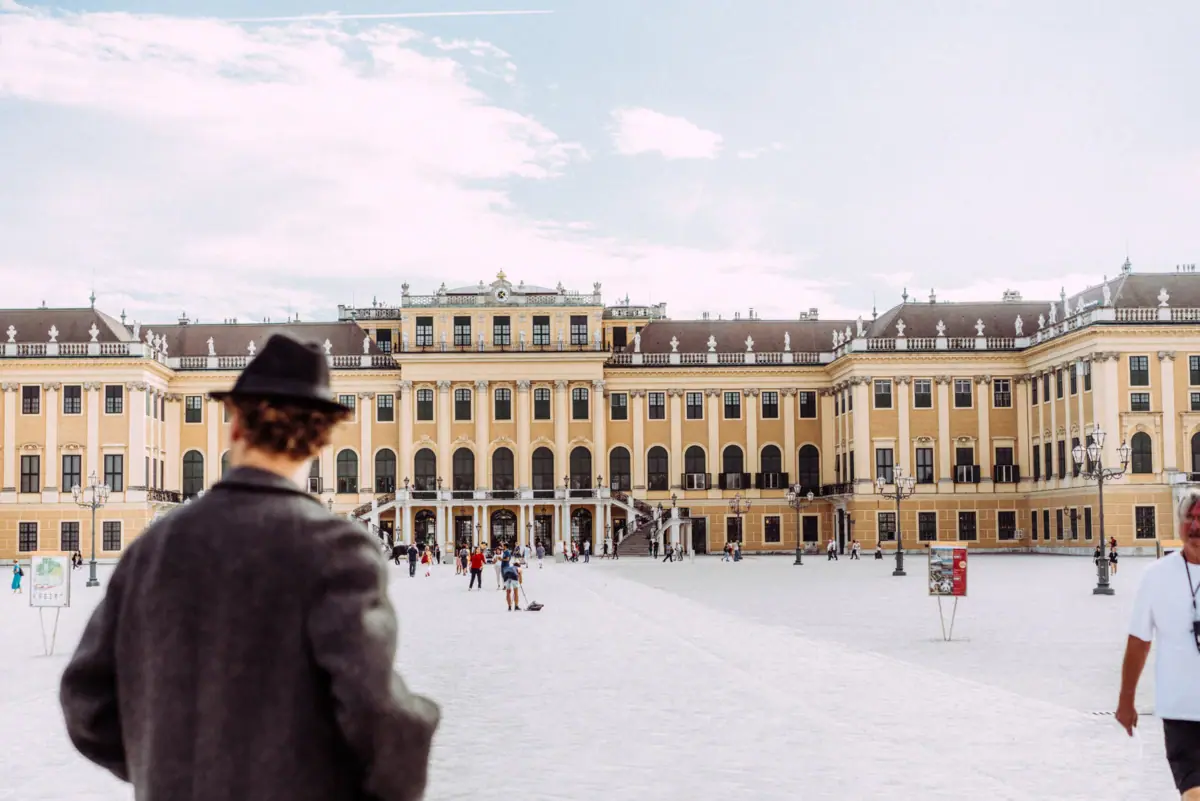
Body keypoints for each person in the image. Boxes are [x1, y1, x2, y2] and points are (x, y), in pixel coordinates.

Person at [59, 332, 438, 801]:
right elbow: (379, 717)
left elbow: (86, 702)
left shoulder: (154, 546)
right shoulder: (338, 550)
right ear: (319, 442)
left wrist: (167, 768)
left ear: (235, 424)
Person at [1117, 488, 1200, 800]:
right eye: (1188, 519)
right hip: (1180, 711)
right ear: (1178, 525)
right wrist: (1126, 700)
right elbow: (1139, 640)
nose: (1195, 527)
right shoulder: (1156, 577)